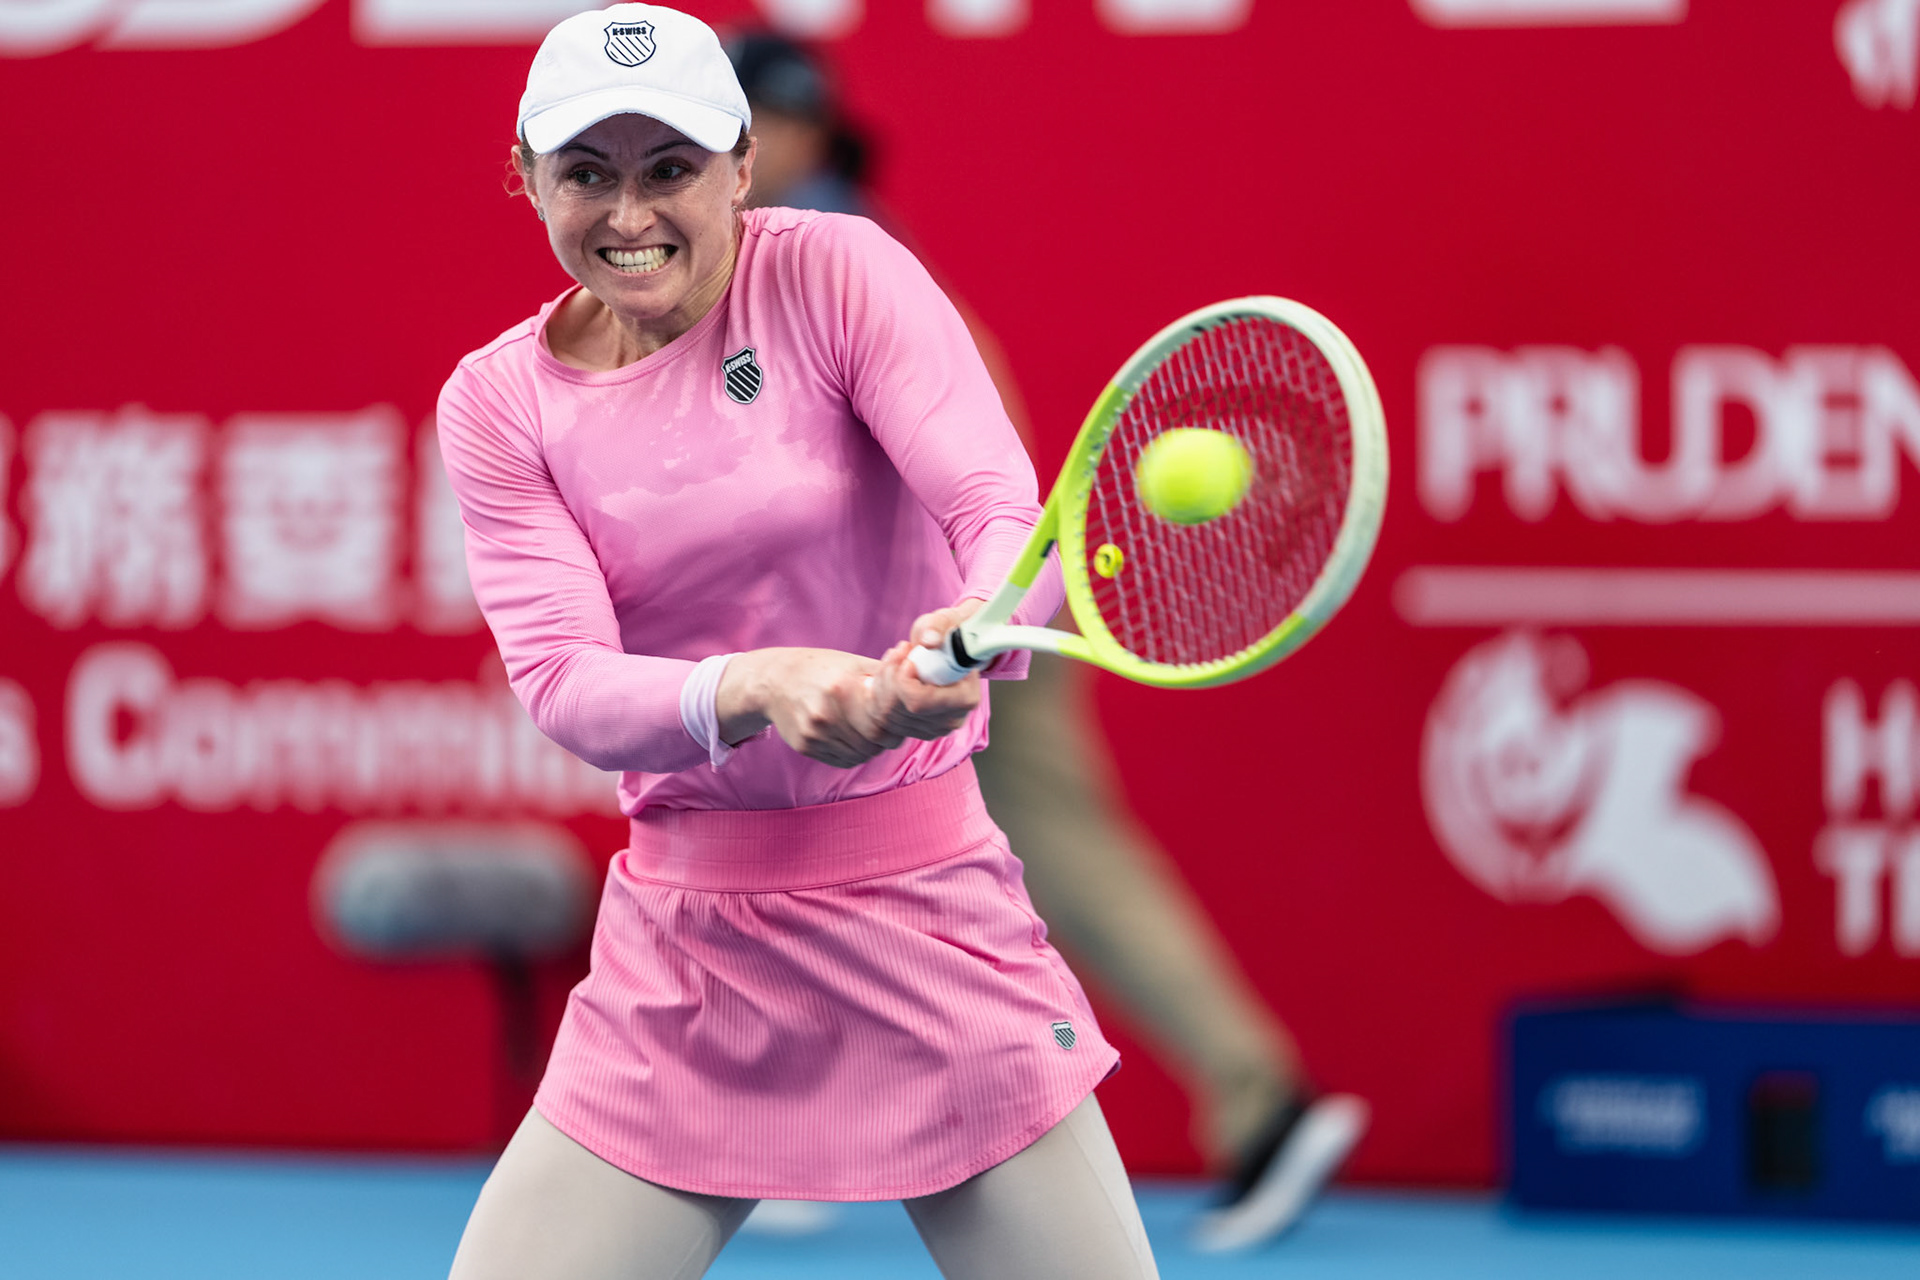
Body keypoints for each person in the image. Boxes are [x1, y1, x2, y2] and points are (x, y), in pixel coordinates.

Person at [434, 6, 1158, 1278]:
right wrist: (759, 686)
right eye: (586, 172)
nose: (629, 213)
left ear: (742, 166)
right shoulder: (499, 402)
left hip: (928, 918)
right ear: (526, 175)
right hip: (686, 955)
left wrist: (964, 643)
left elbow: (1008, 519)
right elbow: (564, 681)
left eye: (670, 169)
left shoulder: (839, 273)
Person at [724, 31, 1370, 1253]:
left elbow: (875, 474)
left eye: (731, 133)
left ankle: (805, 1128)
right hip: (964, 605)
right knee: (1004, 858)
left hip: (939, 618)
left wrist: (951, 615)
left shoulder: (829, 265)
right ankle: (1256, 1093)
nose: (703, 164)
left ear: (794, 136)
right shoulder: (790, 259)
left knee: (808, 842)